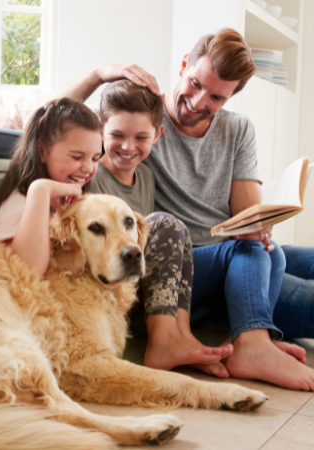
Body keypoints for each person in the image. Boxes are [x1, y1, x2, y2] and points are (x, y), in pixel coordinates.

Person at [55, 28, 314, 377]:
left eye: (216, 97)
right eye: (194, 84)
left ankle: (255, 333)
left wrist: (262, 223)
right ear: (184, 65)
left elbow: (246, 218)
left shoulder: (235, 130)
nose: (197, 101)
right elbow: (54, 121)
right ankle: (255, 343)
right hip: (193, 270)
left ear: (231, 96)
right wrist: (100, 73)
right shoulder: (140, 122)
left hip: (238, 259)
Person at [89, 79, 233, 370]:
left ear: (157, 135)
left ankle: (181, 336)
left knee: (180, 232)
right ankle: (164, 342)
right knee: (165, 223)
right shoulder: (93, 179)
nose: (129, 147)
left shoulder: (146, 177)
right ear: (100, 130)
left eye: (141, 138)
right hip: (110, 293)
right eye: (117, 135)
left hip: (139, 290)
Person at [0, 97, 102, 277]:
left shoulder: (69, 200)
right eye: (76, 157)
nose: (89, 168)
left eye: (95, 158)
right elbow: (28, 273)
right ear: (42, 151)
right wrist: (41, 190)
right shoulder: (21, 205)